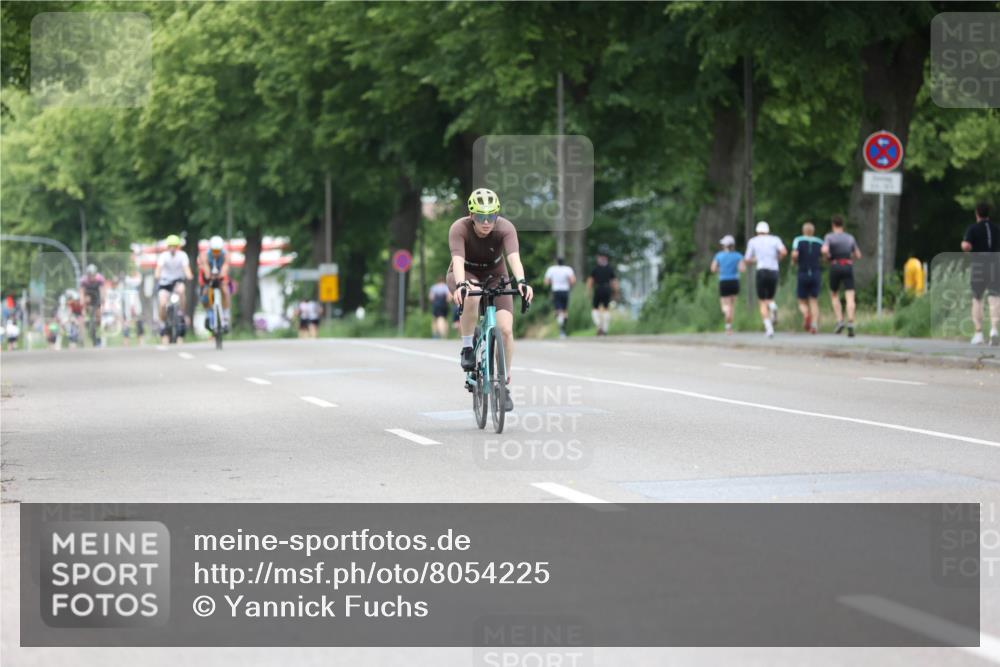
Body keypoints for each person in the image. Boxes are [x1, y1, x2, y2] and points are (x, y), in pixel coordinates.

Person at [449, 188, 534, 412]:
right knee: (472, 294)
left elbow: (513, 257)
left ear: (497, 215)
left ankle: (503, 384)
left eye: (491, 216)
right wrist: (460, 285)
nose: (486, 222)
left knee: (505, 330)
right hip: (465, 274)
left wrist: (522, 281)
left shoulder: (505, 228)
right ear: (471, 215)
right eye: (480, 217)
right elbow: (457, 260)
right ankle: (468, 346)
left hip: (496, 274)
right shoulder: (459, 228)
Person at [961, 202, 1000, 346]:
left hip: (979, 265)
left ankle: (978, 333)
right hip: (995, 264)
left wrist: (966, 246)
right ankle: (994, 330)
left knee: (977, 298)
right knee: (994, 297)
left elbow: (966, 245)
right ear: (988, 213)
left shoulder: (973, 228)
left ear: (977, 213)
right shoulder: (996, 229)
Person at [744, 221, 787, 338]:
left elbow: (747, 259)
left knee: (762, 301)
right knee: (770, 298)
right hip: (774, 271)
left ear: (757, 231)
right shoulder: (775, 239)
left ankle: (769, 329)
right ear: (768, 230)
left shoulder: (753, 241)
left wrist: (756, 259)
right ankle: (773, 306)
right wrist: (778, 259)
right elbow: (783, 252)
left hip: (761, 271)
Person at [822, 215, 862, 337]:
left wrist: (827, 257)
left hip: (835, 265)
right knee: (850, 295)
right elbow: (858, 255)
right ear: (842, 225)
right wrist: (851, 259)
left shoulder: (829, 237)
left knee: (834, 294)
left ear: (833, 225)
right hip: (848, 266)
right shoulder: (850, 238)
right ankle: (850, 321)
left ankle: (839, 320)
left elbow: (824, 250)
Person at [155, 234, 193, 343]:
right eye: (170, 246)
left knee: (181, 291)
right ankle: (162, 322)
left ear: (177, 247)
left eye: (174, 246)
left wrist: (189, 275)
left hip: (177, 281)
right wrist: (157, 275)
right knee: (162, 303)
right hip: (165, 282)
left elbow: (186, 268)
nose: (172, 248)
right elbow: (159, 268)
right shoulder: (163, 256)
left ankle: (181, 311)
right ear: (168, 247)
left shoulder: (182, 255)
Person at [791, 222, 824, 334]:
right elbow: (825, 254)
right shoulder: (819, 242)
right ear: (813, 231)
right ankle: (814, 325)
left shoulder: (798, 240)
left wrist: (794, 262)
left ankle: (806, 314)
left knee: (801, 300)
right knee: (814, 300)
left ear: (803, 230)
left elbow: (795, 255)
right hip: (815, 272)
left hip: (803, 272)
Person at [710, 235, 744, 334]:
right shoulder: (738, 255)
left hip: (724, 281)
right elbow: (742, 269)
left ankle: (725, 311)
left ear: (724, 245)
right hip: (734, 281)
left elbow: (713, 269)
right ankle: (728, 327)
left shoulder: (719, 255)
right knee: (732, 305)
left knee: (725, 304)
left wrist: (721, 270)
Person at [197, 235, 231, 332]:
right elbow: (206, 269)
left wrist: (221, 275)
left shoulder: (225, 255)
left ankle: (225, 313)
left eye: (218, 251)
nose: (216, 253)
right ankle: (208, 313)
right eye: (214, 251)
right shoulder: (205, 255)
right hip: (209, 277)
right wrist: (209, 276)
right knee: (204, 294)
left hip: (220, 276)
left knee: (225, 290)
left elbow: (225, 267)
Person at [587, 246, 618, 336]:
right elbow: (614, 282)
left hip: (598, 289)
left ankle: (598, 325)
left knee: (595, 308)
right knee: (606, 309)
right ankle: (605, 328)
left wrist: (589, 291)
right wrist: (616, 292)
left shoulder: (595, 269)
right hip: (607, 289)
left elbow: (590, 281)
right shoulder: (610, 269)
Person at [543, 257, 576, 338]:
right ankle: (563, 330)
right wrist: (568, 284)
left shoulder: (551, 269)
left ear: (556, 262)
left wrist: (553, 282)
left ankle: (561, 330)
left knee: (558, 311)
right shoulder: (568, 269)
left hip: (556, 291)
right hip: (565, 291)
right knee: (565, 311)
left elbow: (546, 282)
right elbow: (573, 281)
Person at [79, 264, 107, 346]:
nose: (91, 277)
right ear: (87, 275)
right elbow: (81, 292)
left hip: (96, 295)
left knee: (98, 313)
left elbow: (102, 290)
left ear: (95, 274)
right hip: (88, 295)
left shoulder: (100, 279)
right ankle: (86, 320)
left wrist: (103, 300)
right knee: (86, 301)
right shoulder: (84, 280)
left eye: (93, 275)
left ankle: (97, 323)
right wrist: (82, 302)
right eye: (89, 275)